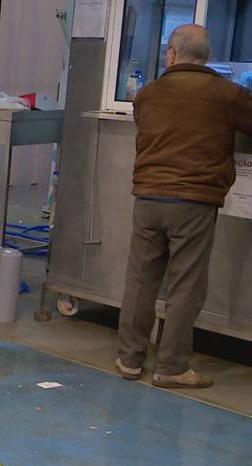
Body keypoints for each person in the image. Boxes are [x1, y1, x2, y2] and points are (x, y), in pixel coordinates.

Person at [115, 24, 252, 389]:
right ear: (207, 57)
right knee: (185, 285)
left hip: (147, 198)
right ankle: (172, 367)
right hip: (193, 202)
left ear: (171, 54)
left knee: (141, 281)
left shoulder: (147, 95)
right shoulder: (227, 94)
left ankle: (129, 360)